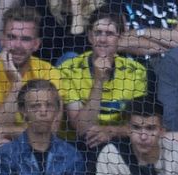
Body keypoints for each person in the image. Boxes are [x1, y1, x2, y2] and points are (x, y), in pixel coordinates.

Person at [59, 10, 148, 150]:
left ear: (120, 38)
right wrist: (99, 81)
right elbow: (82, 128)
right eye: (98, 32)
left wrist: (110, 131)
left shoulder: (136, 71)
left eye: (110, 34)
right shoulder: (68, 69)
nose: (102, 39)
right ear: (89, 36)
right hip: (77, 145)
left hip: (120, 143)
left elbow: (141, 126)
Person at [0, 6, 61, 141]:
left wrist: (6, 131)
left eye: (25, 39)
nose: (17, 45)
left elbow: (52, 129)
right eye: (12, 37)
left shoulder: (49, 73)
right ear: (2, 39)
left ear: (36, 44)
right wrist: (16, 85)